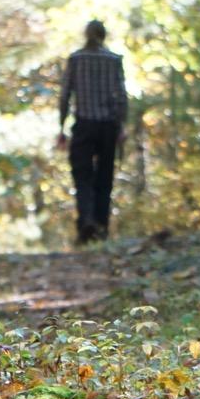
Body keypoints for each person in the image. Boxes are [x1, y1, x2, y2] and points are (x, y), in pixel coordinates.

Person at [55, 19, 127, 243]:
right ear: (103, 35)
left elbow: (66, 94)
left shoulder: (76, 59)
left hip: (84, 124)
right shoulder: (114, 61)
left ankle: (86, 221)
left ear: (86, 35)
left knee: (82, 175)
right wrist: (122, 125)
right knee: (105, 178)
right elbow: (122, 96)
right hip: (108, 126)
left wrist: (61, 126)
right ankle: (101, 228)